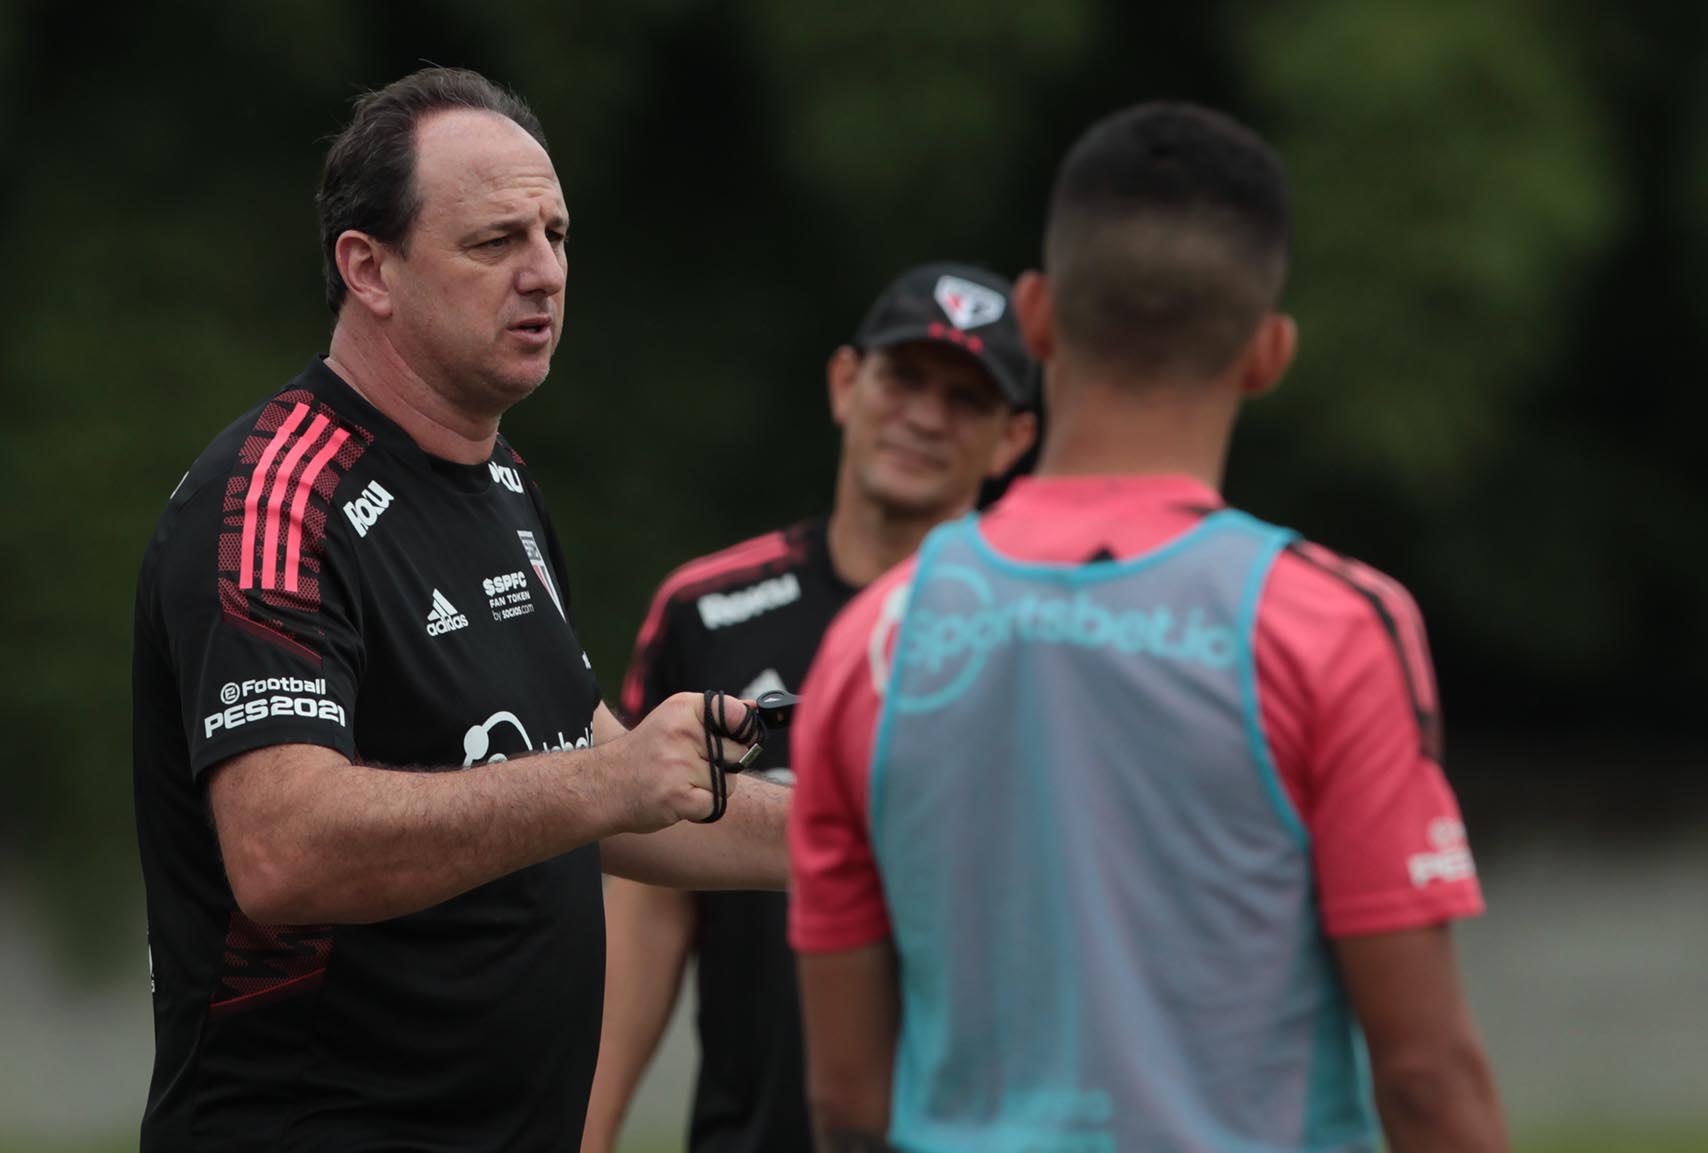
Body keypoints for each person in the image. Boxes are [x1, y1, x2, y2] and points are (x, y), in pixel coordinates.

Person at [787, 103, 1509, 1153]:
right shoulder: (1329, 624)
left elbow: (846, 1104)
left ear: (1034, 319)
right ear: (1267, 353)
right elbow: (1424, 1078)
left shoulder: (870, 640)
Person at [131, 67, 786, 1153]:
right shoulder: (277, 496)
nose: (544, 275)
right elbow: (283, 851)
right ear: (368, 267)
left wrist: (861, 834)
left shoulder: (503, 483)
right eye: (494, 243)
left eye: (557, 235)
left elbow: (596, 770)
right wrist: (605, 780)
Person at [581, 265, 1039, 1153]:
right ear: (844, 383)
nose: (925, 416)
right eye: (903, 378)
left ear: (1013, 438)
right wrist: (588, 1128)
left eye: (966, 399)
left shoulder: (1043, 639)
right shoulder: (703, 609)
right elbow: (650, 895)